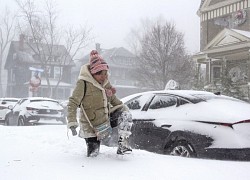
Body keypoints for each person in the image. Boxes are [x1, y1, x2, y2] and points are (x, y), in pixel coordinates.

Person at [67, 50, 133, 157]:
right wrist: (72, 122)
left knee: (125, 114)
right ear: (93, 73)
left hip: (105, 121)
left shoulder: (106, 83)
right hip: (91, 126)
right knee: (94, 155)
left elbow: (114, 100)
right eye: (100, 74)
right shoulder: (83, 83)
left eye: (105, 73)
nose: (103, 76)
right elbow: (73, 102)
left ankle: (123, 144)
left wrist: (124, 109)